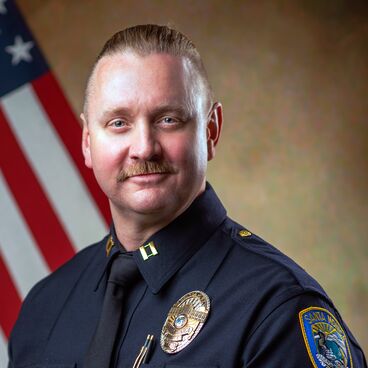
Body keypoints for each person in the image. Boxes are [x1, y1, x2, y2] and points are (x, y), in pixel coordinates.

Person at [8, 24, 366, 368]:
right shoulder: (45, 307)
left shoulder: (275, 310)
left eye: (168, 120)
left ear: (211, 130)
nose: (144, 148)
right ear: (88, 141)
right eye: (119, 123)